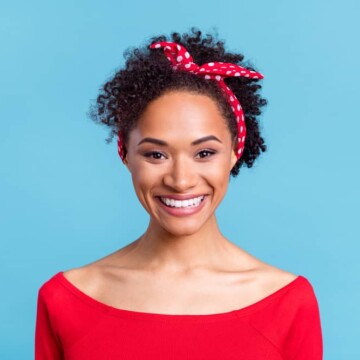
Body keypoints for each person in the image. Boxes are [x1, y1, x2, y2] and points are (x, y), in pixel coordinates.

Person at [35, 28, 323, 359]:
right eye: (156, 154)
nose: (181, 180)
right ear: (126, 155)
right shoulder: (65, 300)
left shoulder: (287, 302)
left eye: (204, 153)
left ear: (234, 152)